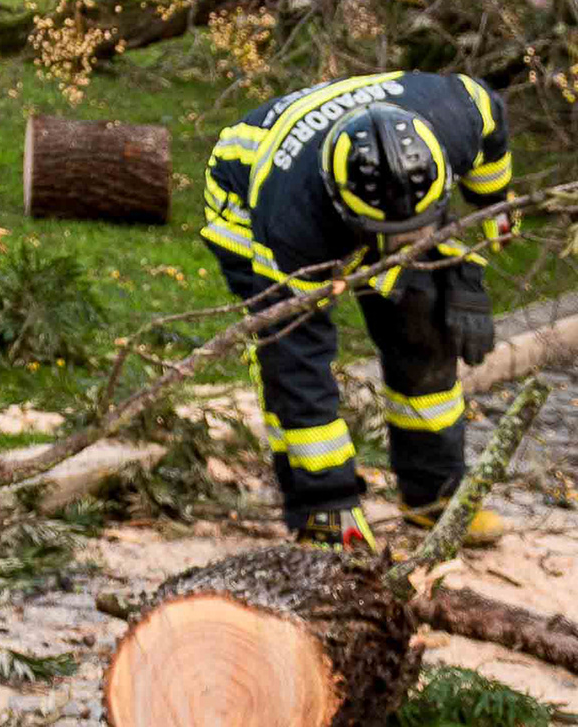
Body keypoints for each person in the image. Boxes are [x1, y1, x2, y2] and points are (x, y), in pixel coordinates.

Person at [198, 72, 515, 551]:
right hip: (242, 195)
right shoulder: (287, 219)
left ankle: (434, 496)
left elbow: (491, 126)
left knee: (425, 329)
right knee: (288, 354)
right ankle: (318, 510)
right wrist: (331, 500)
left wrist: (494, 204)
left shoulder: (458, 114)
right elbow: (296, 358)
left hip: (377, 200)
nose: (401, 248)